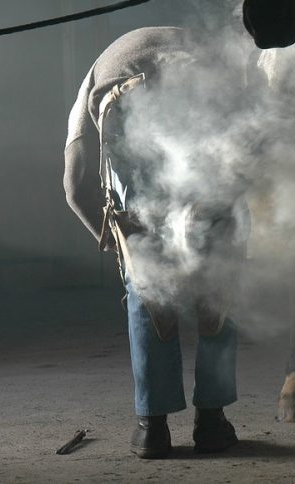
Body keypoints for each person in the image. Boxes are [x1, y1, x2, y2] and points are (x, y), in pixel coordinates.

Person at [64, 27, 247, 459]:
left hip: (124, 105)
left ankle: (153, 428)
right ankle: (213, 423)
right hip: (205, 97)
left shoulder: (95, 74)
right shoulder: (209, 53)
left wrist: (119, 247)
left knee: (148, 279)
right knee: (217, 271)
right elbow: (247, 141)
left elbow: (74, 187)